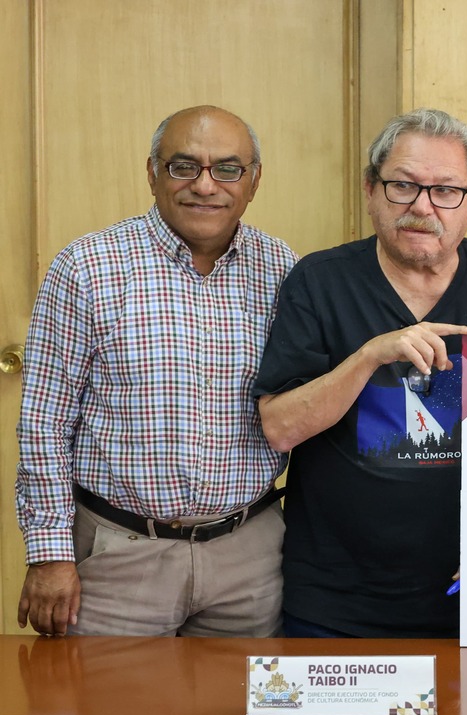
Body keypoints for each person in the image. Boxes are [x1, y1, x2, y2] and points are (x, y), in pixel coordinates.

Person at [254, 108, 467, 638]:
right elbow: (280, 428)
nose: (422, 206)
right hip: (338, 597)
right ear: (371, 190)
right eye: (402, 186)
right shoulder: (319, 281)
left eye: (445, 190)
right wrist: (370, 356)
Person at [15, 105, 296, 637]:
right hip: (118, 561)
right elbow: (44, 422)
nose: (205, 186)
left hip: (251, 558)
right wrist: (50, 553)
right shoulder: (87, 267)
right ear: (152, 172)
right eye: (183, 166)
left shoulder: (282, 269)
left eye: (228, 169)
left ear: (253, 181)